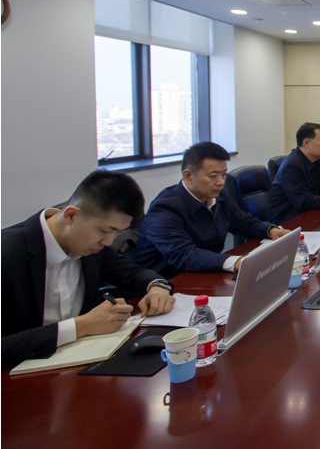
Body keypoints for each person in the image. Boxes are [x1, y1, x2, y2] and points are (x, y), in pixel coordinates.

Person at [2, 171, 176, 369]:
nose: (109, 242)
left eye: (117, 233)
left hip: (81, 362)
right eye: (105, 231)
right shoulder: (7, 255)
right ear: (71, 215)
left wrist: (157, 287)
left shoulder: (91, 247)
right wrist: (80, 326)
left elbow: (133, 273)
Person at [136, 142, 291, 279]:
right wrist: (235, 261)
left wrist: (270, 230)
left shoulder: (218, 197)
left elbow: (244, 222)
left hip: (206, 273)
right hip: (168, 285)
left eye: (224, 175)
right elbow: (184, 255)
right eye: (213, 176)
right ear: (188, 176)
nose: (221, 182)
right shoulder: (165, 209)